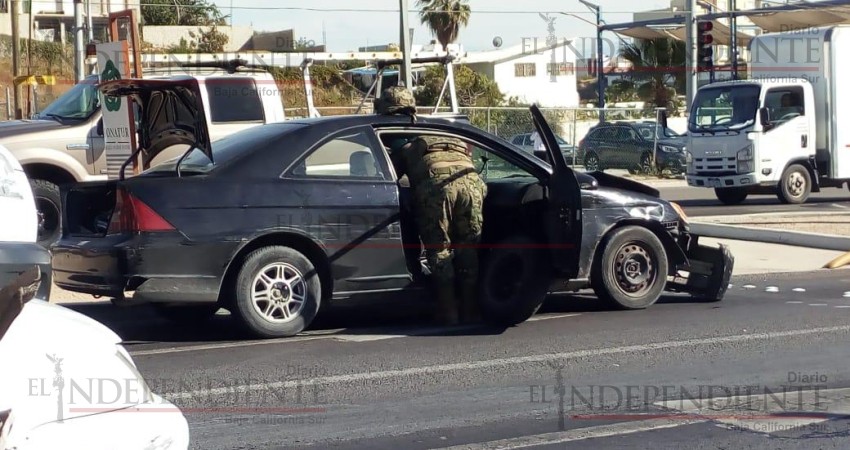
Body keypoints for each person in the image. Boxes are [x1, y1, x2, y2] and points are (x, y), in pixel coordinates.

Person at [375, 86, 488, 325]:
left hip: (437, 188)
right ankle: (470, 310)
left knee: (440, 250)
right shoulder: (435, 126)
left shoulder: (394, 133)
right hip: (472, 182)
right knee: (468, 248)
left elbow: (389, 176)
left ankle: (448, 311)